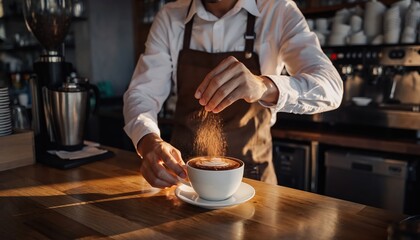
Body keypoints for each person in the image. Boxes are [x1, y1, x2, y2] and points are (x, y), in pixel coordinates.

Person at [123, 0, 343, 188]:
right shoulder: (171, 16)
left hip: (255, 181)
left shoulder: (278, 11)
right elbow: (142, 93)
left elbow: (331, 88)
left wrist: (264, 86)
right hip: (182, 178)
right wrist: (148, 141)